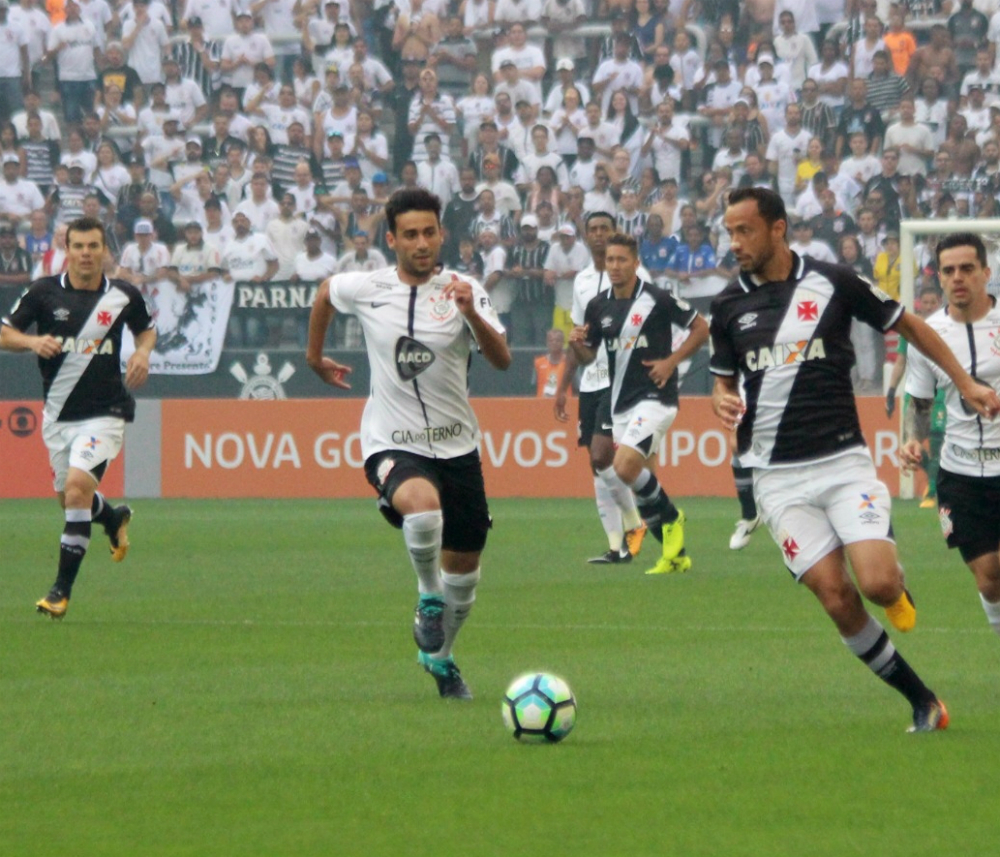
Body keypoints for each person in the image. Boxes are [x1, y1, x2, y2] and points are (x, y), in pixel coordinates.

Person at [710, 187, 1000, 732]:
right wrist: (722, 399)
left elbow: (910, 326)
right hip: (777, 478)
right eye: (729, 232)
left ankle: (895, 583)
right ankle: (922, 701)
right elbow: (723, 383)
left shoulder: (834, 281)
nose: (735, 242)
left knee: (878, 585)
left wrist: (963, 382)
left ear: (778, 229)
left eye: (744, 230)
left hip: (842, 462)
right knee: (836, 596)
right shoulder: (727, 305)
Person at [306, 188, 511, 700]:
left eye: (430, 233)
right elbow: (325, 293)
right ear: (392, 239)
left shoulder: (466, 288)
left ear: (442, 234)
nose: (422, 243)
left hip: (458, 447)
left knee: (464, 575)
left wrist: (473, 315)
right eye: (411, 235)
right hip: (390, 440)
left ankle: (440, 660)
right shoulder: (369, 287)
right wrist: (315, 357)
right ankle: (426, 596)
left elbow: (503, 359)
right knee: (422, 511)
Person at [0, 215, 156, 619]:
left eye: (93, 246)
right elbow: (5, 333)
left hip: (105, 413)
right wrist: (33, 340)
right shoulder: (43, 292)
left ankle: (59, 592)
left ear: (105, 251)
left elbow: (146, 329)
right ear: (66, 250)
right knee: (71, 500)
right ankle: (114, 516)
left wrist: (141, 353)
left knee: (74, 491)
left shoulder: (123, 295)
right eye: (78, 247)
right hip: (57, 416)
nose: (86, 254)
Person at [569, 231, 709, 576]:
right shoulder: (598, 305)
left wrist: (671, 361)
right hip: (620, 402)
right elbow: (588, 358)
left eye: (621, 260)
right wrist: (576, 344)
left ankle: (674, 518)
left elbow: (700, 328)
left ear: (636, 263)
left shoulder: (658, 298)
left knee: (624, 467)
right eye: (610, 260)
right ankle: (675, 556)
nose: (614, 266)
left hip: (656, 397)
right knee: (642, 481)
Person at [901, 233, 1000, 640]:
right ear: (939, 277)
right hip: (958, 474)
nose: (958, 277)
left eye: (967, 268)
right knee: (990, 578)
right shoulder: (927, 334)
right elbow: (921, 400)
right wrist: (912, 438)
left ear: (986, 273)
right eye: (948, 270)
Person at [555, 211, 650, 566]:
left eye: (604, 230)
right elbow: (579, 339)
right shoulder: (580, 282)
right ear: (585, 235)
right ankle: (616, 547)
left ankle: (635, 523)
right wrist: (564, 385)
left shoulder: (636, 277)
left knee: (601, 456)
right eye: (592, 230)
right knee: (596, 467)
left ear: (614, 234)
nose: (597, 235)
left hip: (622, 380)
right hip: (590, 382)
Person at [533, 327, 570, 397]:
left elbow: (578, 388)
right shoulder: (538, 363)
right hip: (542, 405)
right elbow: (532, 388)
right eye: (551, 340)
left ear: (563, 343)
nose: (554, 343)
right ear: (547, 343)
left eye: (557, 340)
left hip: (564, 405)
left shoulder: (570, 364)